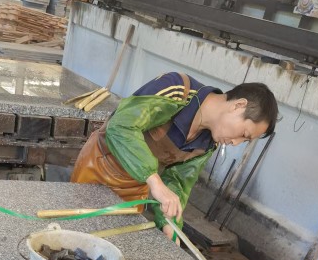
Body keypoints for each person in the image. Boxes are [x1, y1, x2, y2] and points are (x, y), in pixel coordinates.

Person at [71, 72, 278, 241]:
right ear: (238, 105)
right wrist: (155, 182)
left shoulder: (209, 143)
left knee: (114, 243)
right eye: (244, 134)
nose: (236, 143)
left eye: (244, 141)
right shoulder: (177, 90)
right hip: (99, 168)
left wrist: (170, 224)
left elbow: (178, 182)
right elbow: (121, 127)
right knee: (75, 235)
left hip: (136, 187)